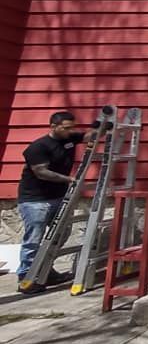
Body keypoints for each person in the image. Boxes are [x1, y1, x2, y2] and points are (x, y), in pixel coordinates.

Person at [17, 111, 96, 294]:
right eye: (66, 128)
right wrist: (70, 180)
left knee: (60, 235)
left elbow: (89, 136)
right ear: (53, 126)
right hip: (35, 201)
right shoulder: (38, 147)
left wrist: (101, 126)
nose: (70, 131)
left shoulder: (68, 138)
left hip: (58, 198)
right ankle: (26, 277)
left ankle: (45, 271)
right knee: (34, 239)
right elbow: (41, 172)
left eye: (72, 127)